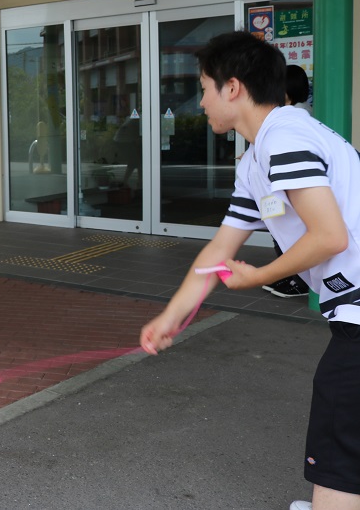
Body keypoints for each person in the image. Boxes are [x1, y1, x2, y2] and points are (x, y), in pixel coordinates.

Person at [139, 31, 360, 510]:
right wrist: (171, 317)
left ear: (232, 87)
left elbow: (329, 237)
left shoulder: (283, 138)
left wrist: (256, 276)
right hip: (352, 316)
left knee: (339, 459)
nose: (200, 102)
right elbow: (219, 249)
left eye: (203, 87)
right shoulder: (260, 157)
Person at [262, 64, 314, 299]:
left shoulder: (295, 116)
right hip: (286, 184)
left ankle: (299, 280)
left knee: (286, 229)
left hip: (292, 185)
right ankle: (291, 274)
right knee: (280, 228)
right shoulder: (298, 111)